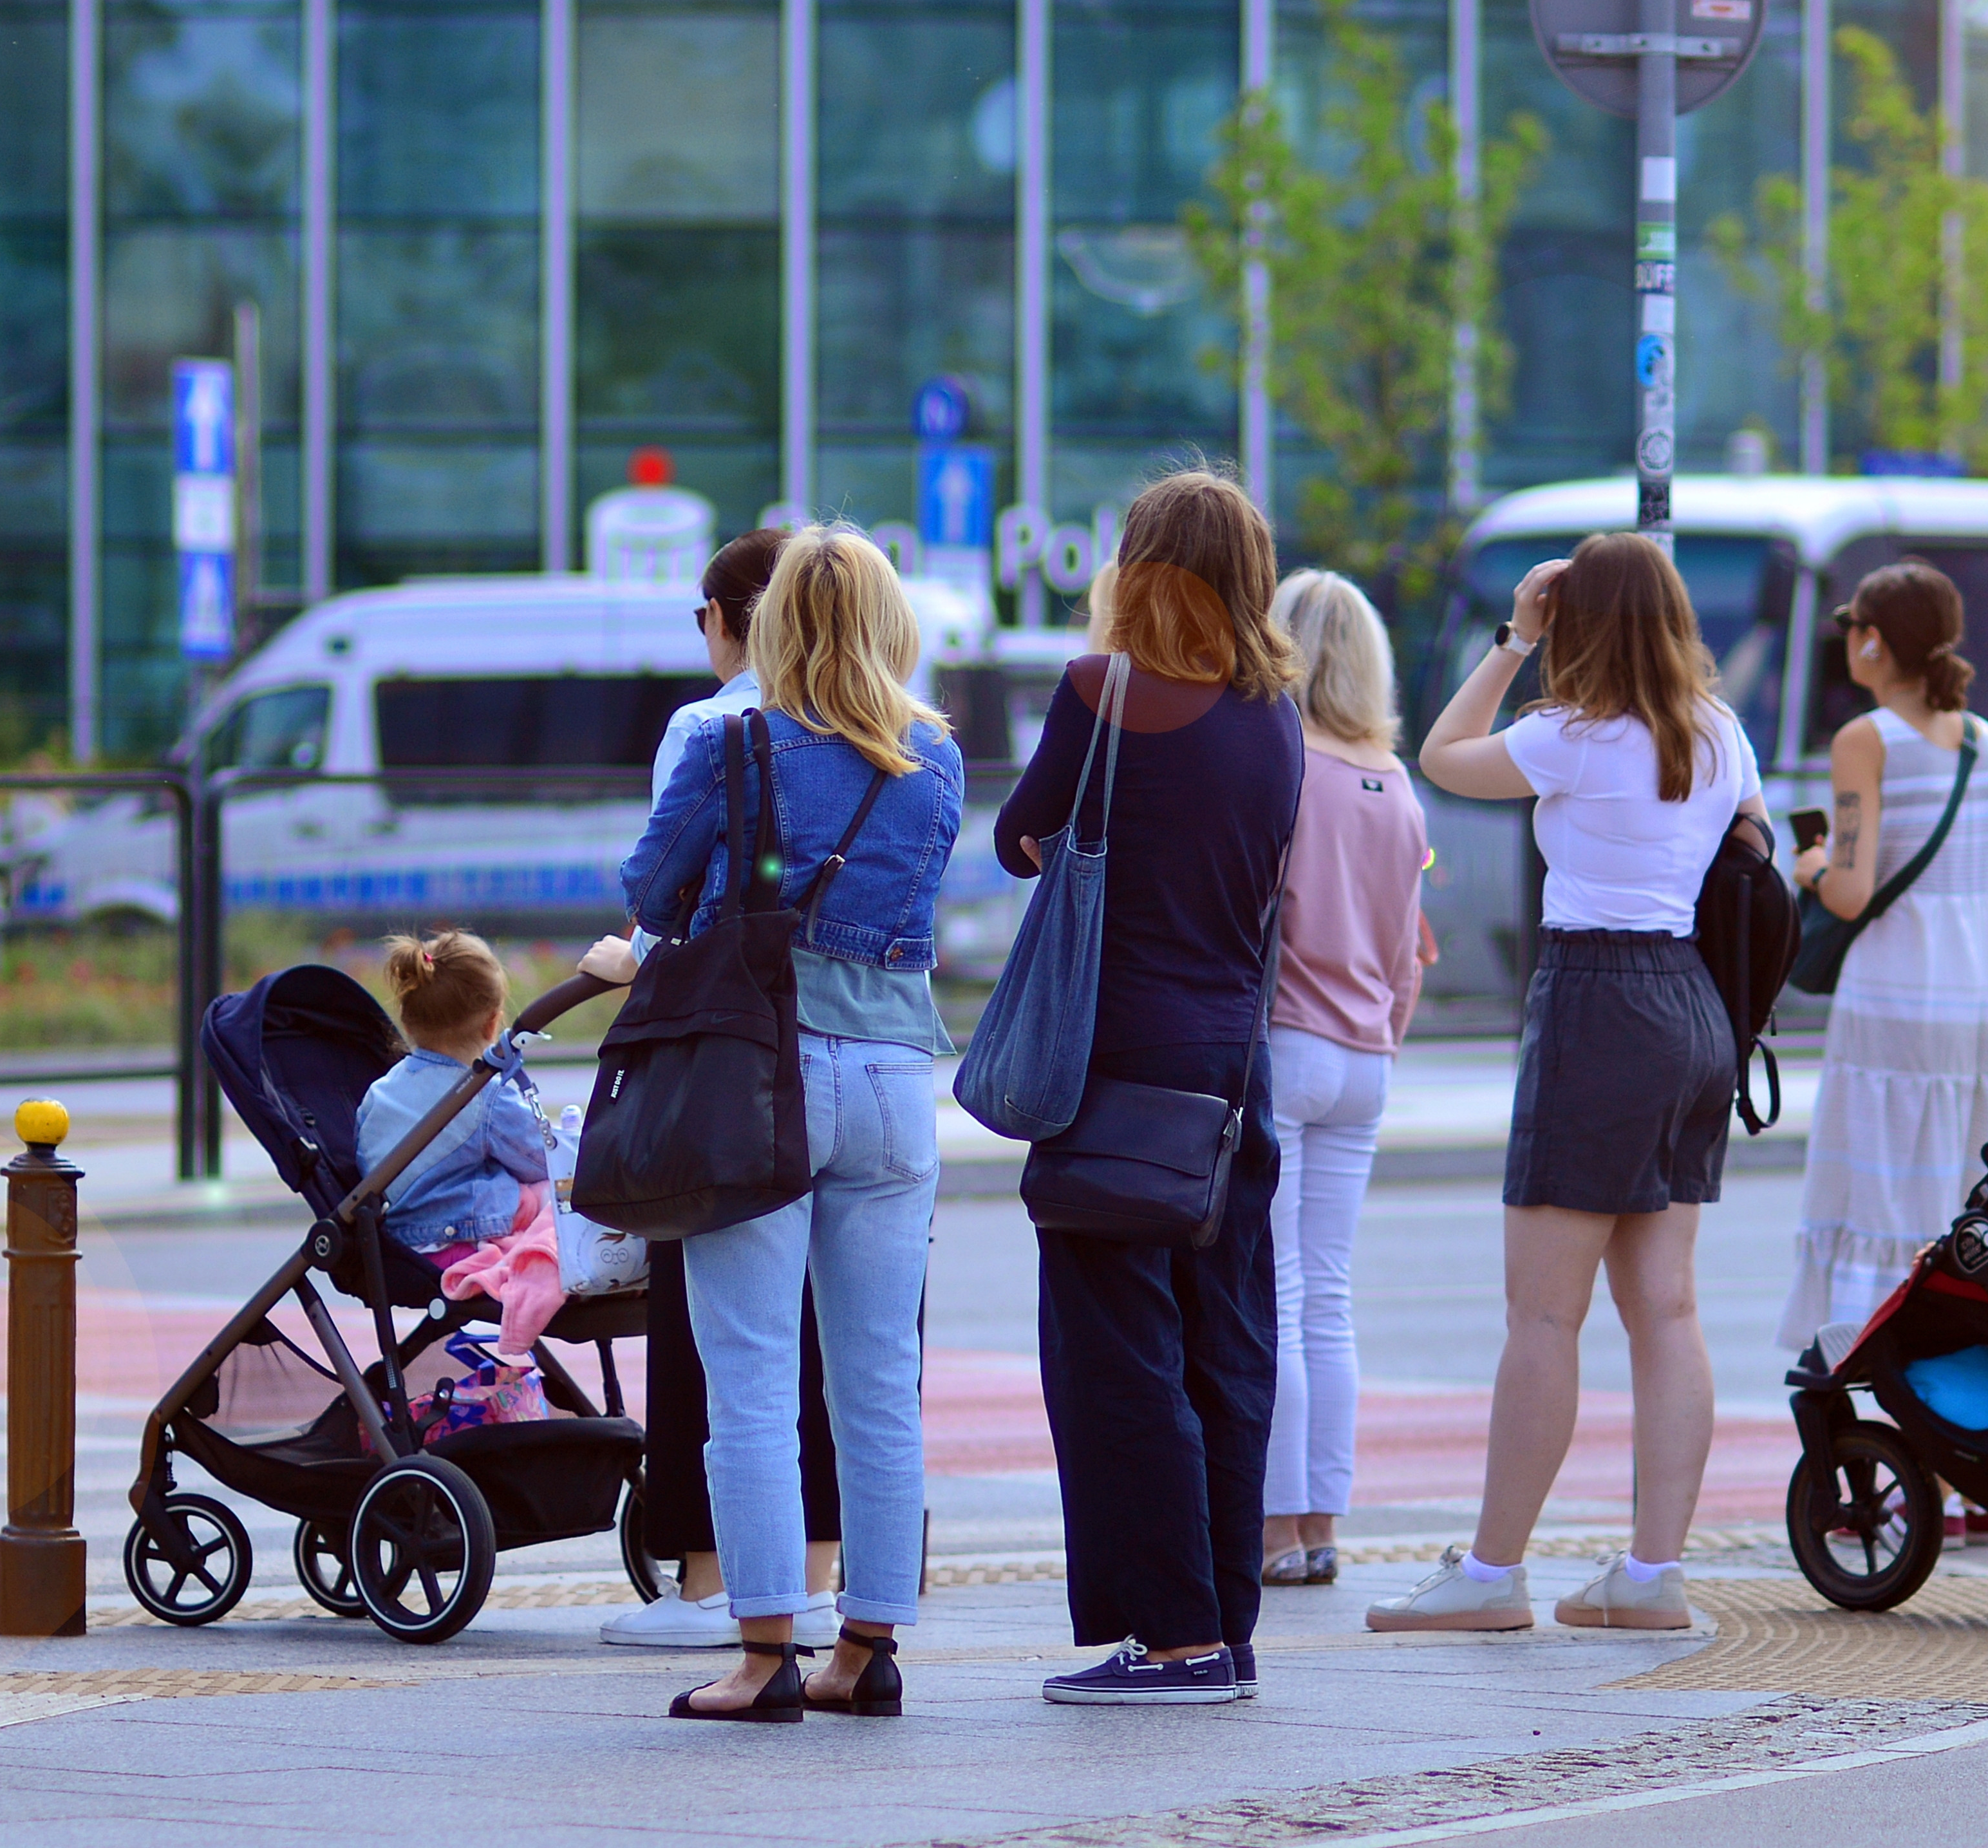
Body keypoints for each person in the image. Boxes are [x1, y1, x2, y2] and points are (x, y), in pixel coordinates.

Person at [1373, 531, 1766, 1636]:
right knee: (1668, 1308)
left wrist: (1512, 639)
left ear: (1577, 622)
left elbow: (1444, 754)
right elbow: (1754, 843)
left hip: (1599, 1002)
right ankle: (1652, 1574)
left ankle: (1493, 1573)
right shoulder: (1719, 733)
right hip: (1694, 1005)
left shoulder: (1573, 737)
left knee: (1544, 1313)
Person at [609, 527, 957, 1721]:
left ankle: (763, 1655)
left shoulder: (733, 742)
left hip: (767, 1074)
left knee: (750, 1378)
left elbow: (651, 890)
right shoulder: (937, 760)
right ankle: (867, 1643)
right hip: (898, 1076)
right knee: (878, 1380)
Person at [993, 470, 1304, 1704]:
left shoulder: (1100, 691)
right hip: (1236, 1073)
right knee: (1226, 1347)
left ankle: (1169, 1638)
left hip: (1117, 1068)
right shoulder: (1276, 707)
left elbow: (1027, 836)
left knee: (1120, 1355)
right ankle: (1222, 1630)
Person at [603, 529, 850, 1654]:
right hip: (854, 1048)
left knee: (713, 1327)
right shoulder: (889, 726)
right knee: (836, 1333)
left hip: (729, 1055)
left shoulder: (710, 730)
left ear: (728, 616)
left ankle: (712, 1580)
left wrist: (628, 960)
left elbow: (668, 902)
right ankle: (824, 1572)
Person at [1779, 560, 1988, 1365]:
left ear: (1875, 642)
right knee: (1966, 1179)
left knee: (1886, 1180)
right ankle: (1972, 1347)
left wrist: (1810, 864)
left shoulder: (1866, 738)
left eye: (1852, 628)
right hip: (1985, 996)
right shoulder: (1985, 739)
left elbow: (1849, 895)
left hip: (1897, 993)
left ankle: (1872, 1339)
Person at [1257, 569, 1434, 1589]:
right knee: (1329, 1298)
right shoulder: (1395, 784)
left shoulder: (1289, 768)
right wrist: (1386, 1036)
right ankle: (1324, 1520)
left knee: (1272, 1294)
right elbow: (1410, 952)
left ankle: (1275, 1528)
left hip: (1288, 1043)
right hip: (1367, 1053)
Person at [355, 928, 637, 1365]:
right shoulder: (483, 1094)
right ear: (493, 1022)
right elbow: (542, 1159)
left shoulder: (378, 1091)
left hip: (401, 1243)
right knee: (563, 1202)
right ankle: (537, 1273)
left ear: (408, 1021)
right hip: (460, 1239)